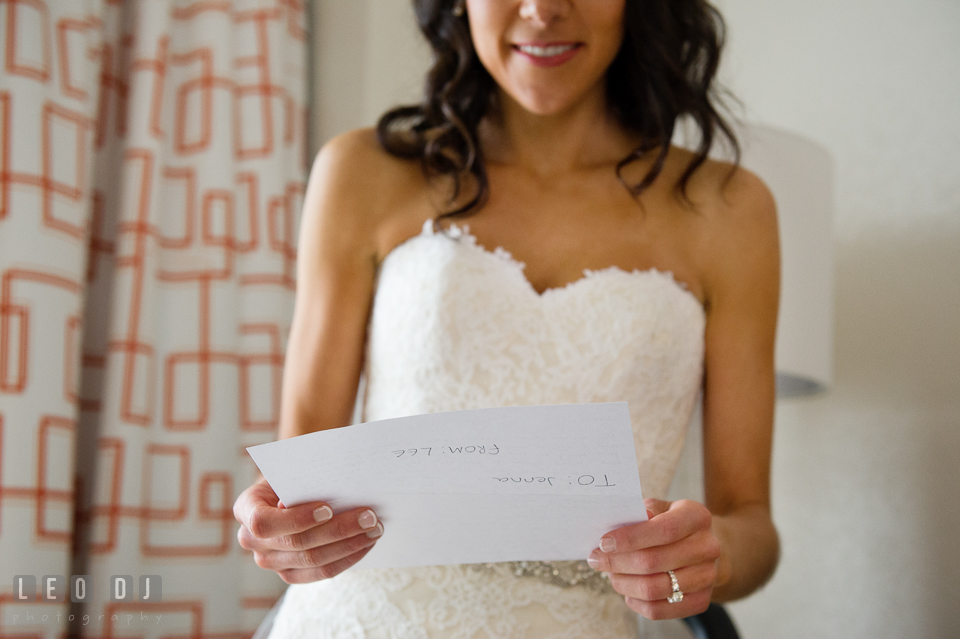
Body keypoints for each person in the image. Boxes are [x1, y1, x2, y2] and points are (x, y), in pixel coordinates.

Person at [233, 0, 780, 636]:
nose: (543, 9)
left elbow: (752, 523)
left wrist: (712, 553)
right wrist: (281, 529)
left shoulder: (730, 210)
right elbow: (293, 479)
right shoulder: (364, 174)